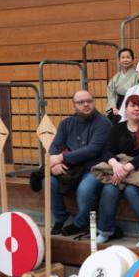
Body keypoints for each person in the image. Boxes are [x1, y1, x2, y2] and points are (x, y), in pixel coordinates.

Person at [95, 95, 139, 247]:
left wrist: (127, 167)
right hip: (121, 169)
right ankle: (105, 232)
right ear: (125, 110)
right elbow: (107, 150)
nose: (136, 109)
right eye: (132, 106)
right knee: (109, 188)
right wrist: (115, 165)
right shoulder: (118, 128)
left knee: (131, 190)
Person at [49, 90, 111, 235]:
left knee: (85, 189)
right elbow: (55, 145)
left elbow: (93, 150)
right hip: (70, 168)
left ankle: (80, 223)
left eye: (89, 101)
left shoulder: (104, 123)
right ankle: (61, 218)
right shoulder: (66, 123)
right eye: (81, 102)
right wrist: (54, 164)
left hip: (94, 168)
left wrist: (61, 158)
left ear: (93, 102)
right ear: (74, 105)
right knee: (49, 182)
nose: (86, 104)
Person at [105, 47, 138, 123]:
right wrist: (113, 107)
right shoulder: (116, 77)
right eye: (123, 57)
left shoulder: (137, 76)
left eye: (128, 57)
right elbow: (111, 93)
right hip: (117, 104)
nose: (125, 60)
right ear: (119, 60)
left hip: (131, 103)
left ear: (132, 60)